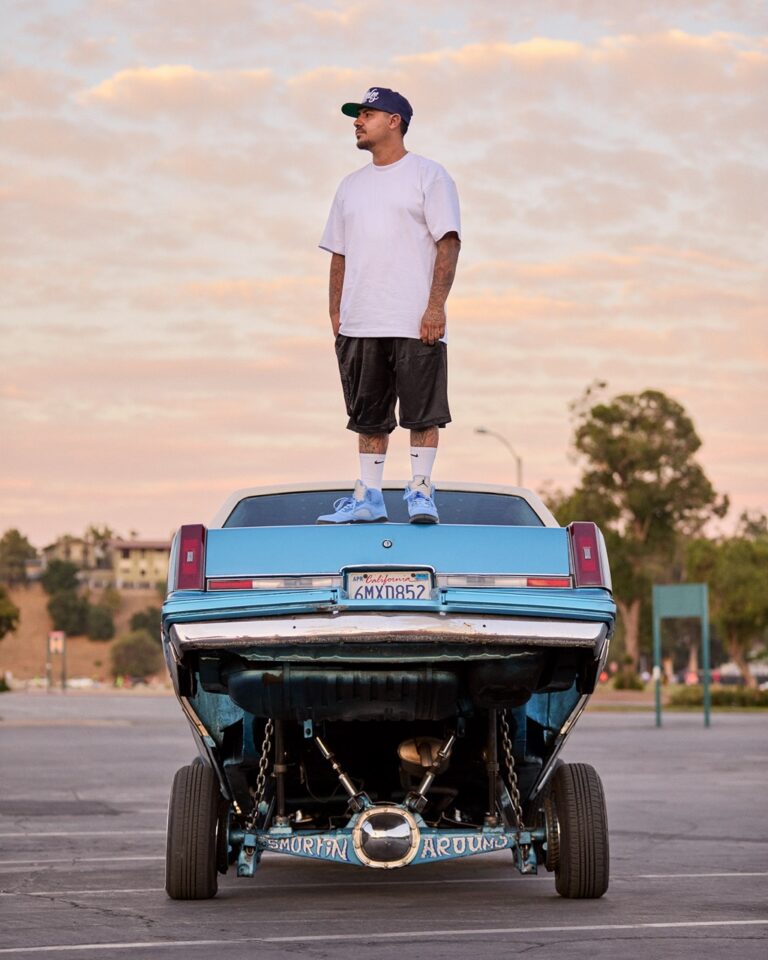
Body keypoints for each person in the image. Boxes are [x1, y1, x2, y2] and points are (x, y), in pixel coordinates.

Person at [317, 87, 461, 525]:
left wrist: (435, 307)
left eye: (366, 114)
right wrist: (335, 312)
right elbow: (338, 252)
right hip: (361, 321)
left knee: (422, 411)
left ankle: (420, 490)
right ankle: (369, 498)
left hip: (414, 318)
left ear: (394, 120)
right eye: (356, 116)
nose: (357, 122)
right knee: (368, 417)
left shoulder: (429, 175)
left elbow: (448, 242)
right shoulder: (350, 186)